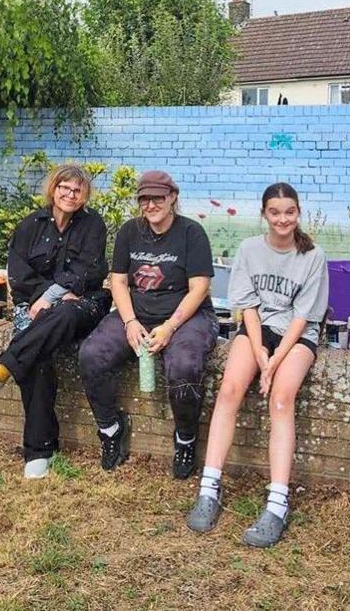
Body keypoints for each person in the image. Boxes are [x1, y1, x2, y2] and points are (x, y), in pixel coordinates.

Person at [187, 182, 328, 547]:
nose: (283, 219)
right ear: (264, 214)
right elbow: (247, 307)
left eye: (290, 212)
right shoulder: (250, 249)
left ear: (298, 213)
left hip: (298, 334)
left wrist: (274, 361)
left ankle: (278, 503)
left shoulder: (313, 256)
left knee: (281, 398)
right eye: (275, 212)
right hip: (257, 328)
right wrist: (260, 352)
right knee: (230, 389)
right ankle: (209, 488)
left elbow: (302, 318)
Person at [0, 164, 109, 479]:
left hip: (83, 303)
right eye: (64, 188)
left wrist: (54, 296)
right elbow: (19, 276)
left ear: (84, 196)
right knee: (38, 357)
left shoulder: (93, 224)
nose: (70, 194)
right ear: (53, 190)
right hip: (34, 307)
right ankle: (39, 451)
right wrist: (47, 298)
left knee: (66, 312)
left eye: (76, 190)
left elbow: (91, 270)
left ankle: (0, 372)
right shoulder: (30, 226)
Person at [77, 170, 216, 479]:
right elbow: (119, 281)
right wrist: (128, 321)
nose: (151, 205)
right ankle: (110, 428)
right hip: (136, 312)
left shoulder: (191, 233)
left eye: (158, 198)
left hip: (187, 316)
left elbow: (199, 288)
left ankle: (185, 437)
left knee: (184, 367)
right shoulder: (129, 232)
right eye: (144, 199)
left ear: (173, 198)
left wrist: (169, 327)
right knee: (91, 355)